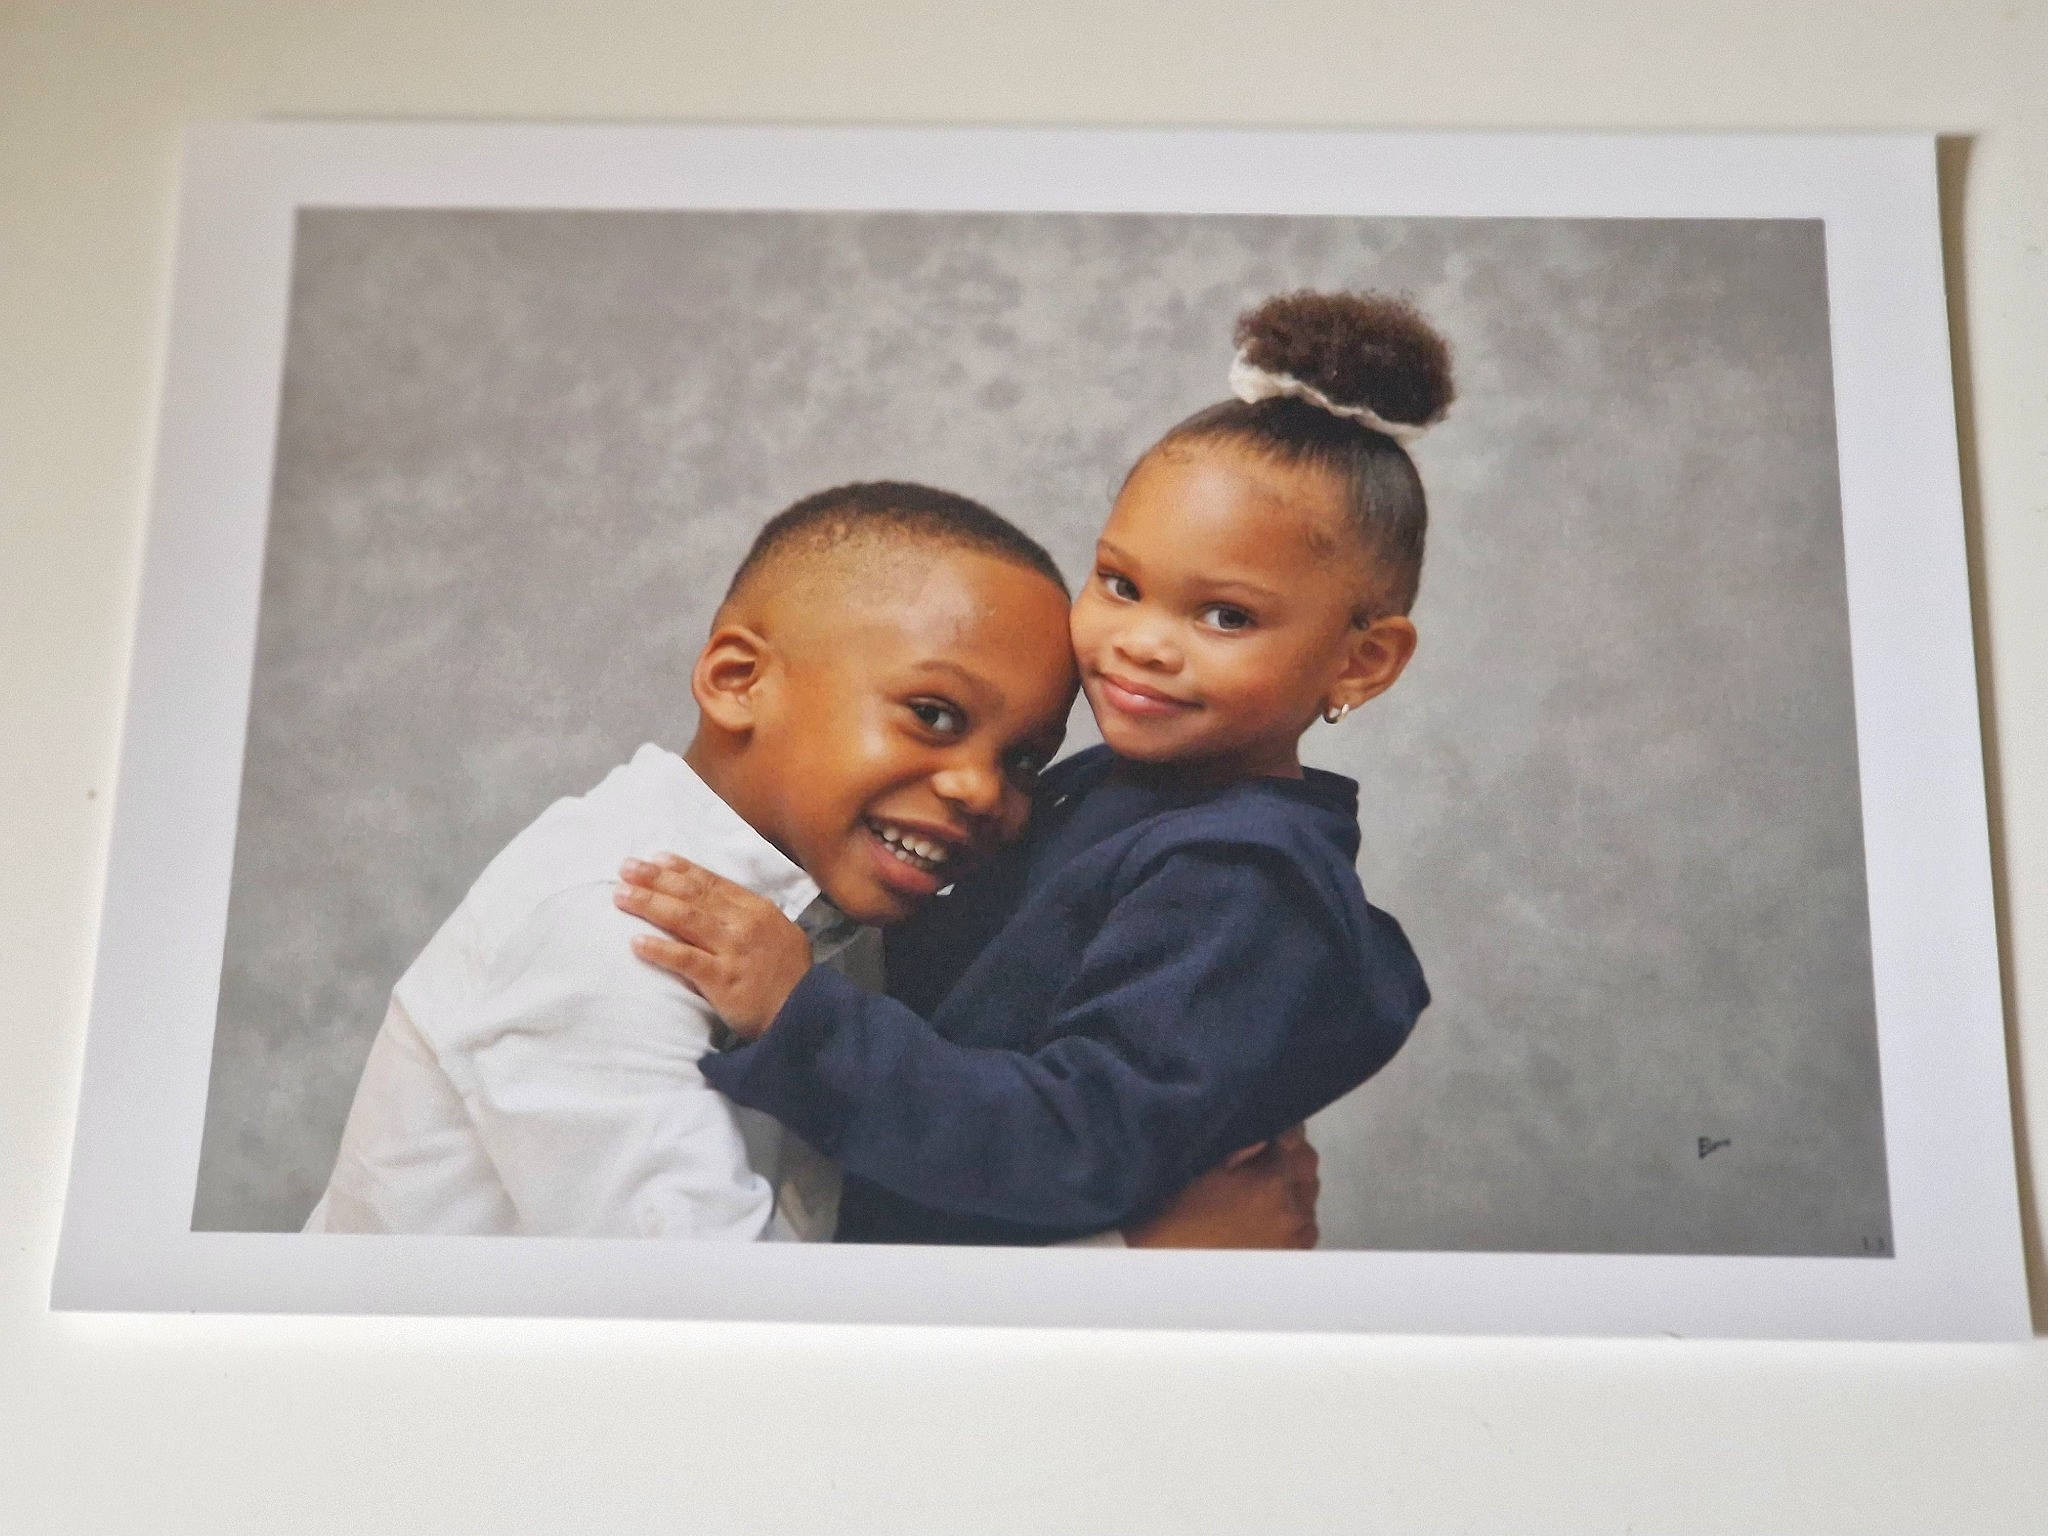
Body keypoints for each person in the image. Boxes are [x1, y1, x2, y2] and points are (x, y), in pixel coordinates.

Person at [616, 290, 1449, 1244]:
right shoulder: (1118, 793)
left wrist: (802, 1013)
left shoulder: (1237, 880)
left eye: (1224, 616)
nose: (1140, 643)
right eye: (1121, 584)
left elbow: (1074, 1143)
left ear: (1361, 661)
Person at [307, 481, 1317, 1245]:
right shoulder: (615, 922)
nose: (981, 791)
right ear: (738, 681)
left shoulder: (823, 912)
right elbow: (724, 1351)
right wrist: (1146, 1262)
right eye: (932, 715)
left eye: (1020, 760)